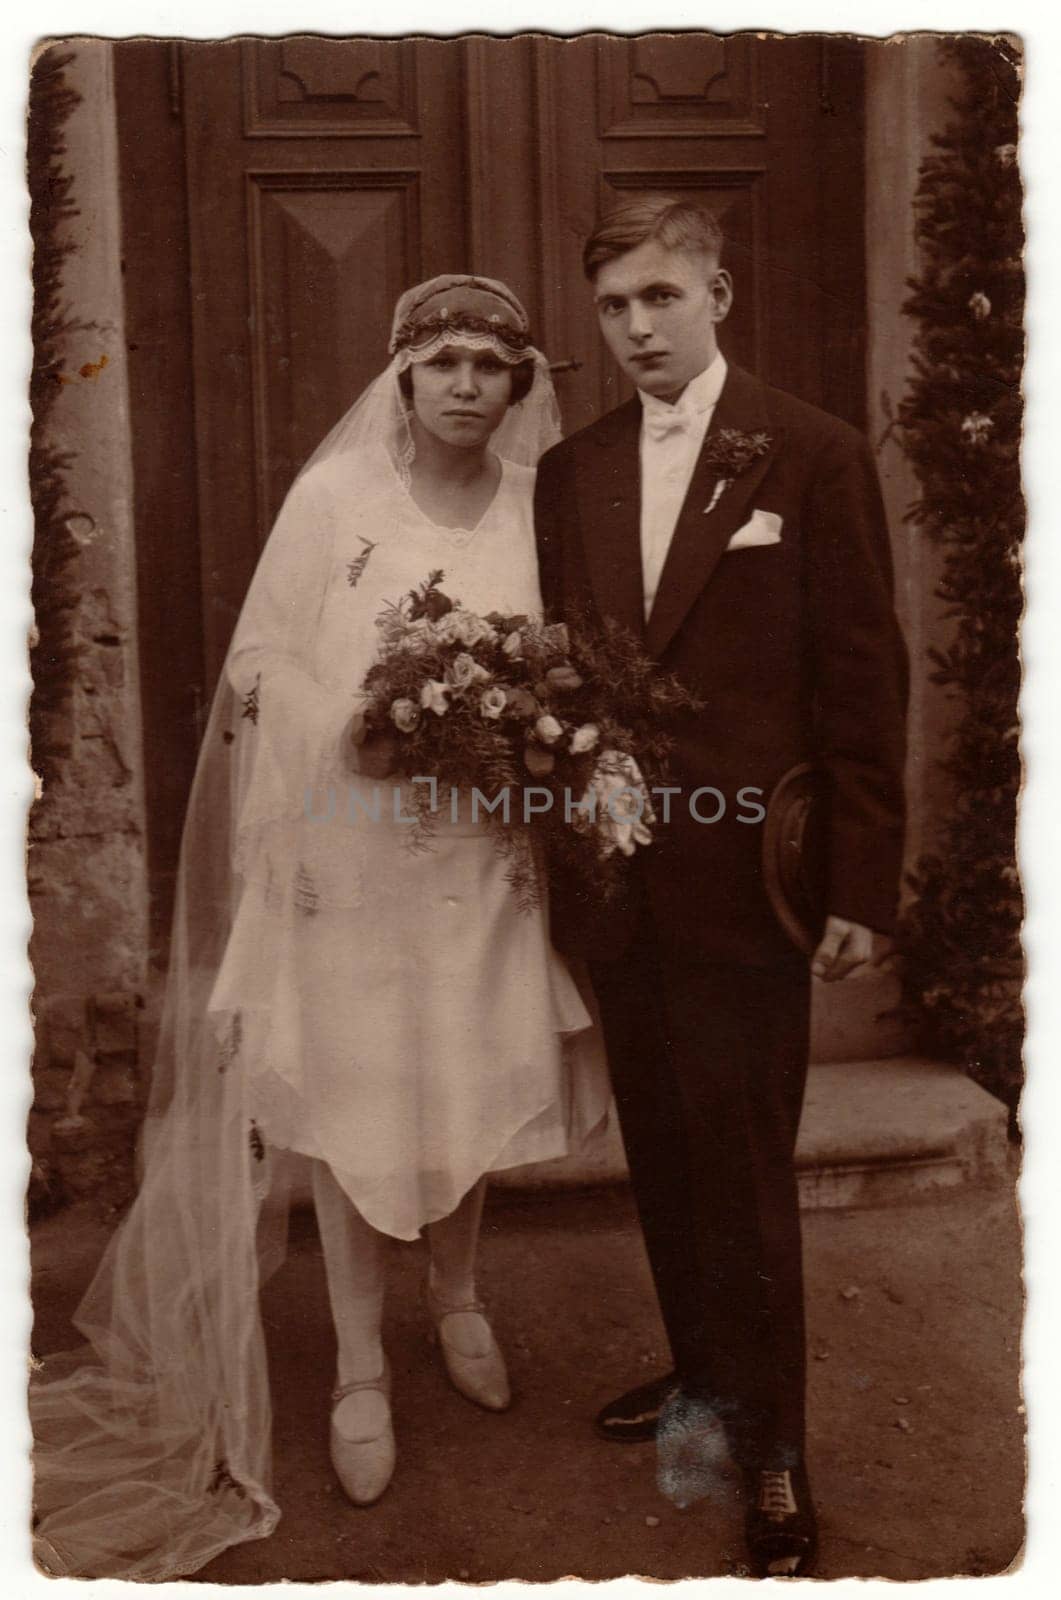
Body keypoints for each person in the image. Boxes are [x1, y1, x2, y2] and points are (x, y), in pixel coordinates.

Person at [31, 275, 608, 1579]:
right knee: (359, 1095)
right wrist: (354, 722)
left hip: (483, 858)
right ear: (401, 375)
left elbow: (569, 659)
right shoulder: (337, 503)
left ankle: (457, 1300)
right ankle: (357, 1363)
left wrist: (523, 727)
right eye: (444, 360)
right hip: (351, 849)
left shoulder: (538, 507)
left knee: (460, 1081)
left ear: (520, 384)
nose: (468, 384)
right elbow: (260, 662)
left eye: (491, 365)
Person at [534, 198, 908, 1577]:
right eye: (615, 306)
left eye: (659, 298)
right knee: (664, 1153)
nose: (637, 327)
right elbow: (569, 673)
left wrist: (861, 879)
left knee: (747, 1174)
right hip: (618, 888)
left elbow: (864, 679)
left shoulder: (805, 455)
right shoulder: (568, 470)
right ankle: (700, 1375)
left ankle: (779, 1453)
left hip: (753, 884)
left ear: (717, 294)